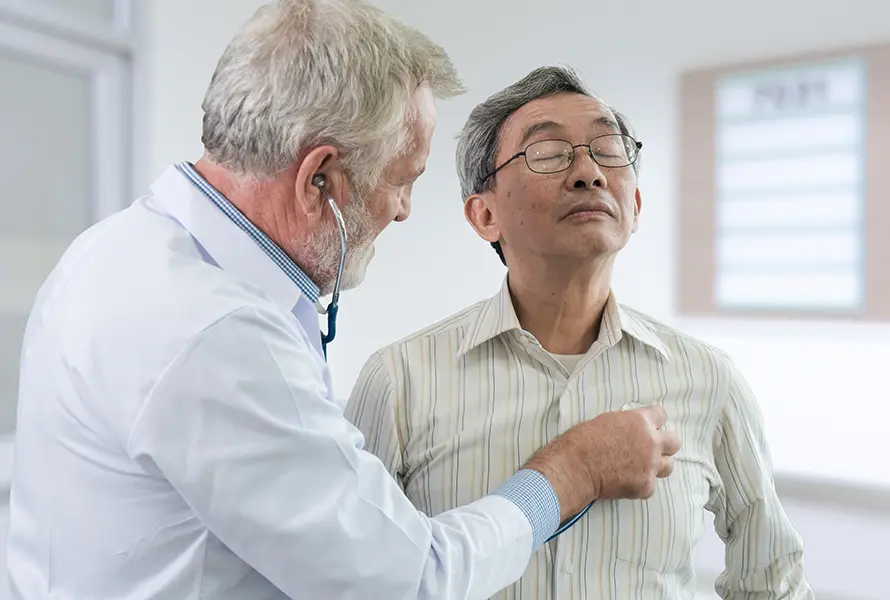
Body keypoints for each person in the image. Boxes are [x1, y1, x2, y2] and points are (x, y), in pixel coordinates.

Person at [5, 4, 683, 600]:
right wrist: (573, 472)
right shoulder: (218, 334)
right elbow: (409, 580)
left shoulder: (113, 248)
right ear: (319, 179)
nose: (405, 211)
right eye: (403, 180)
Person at [345, 65, 815, 599]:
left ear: (634, 206)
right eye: (548, 153)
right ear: (484, 215)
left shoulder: (710, 380)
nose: (588, 172)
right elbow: (350, 578)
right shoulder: (400, 380)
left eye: (609, 149)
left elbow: (773, 581)